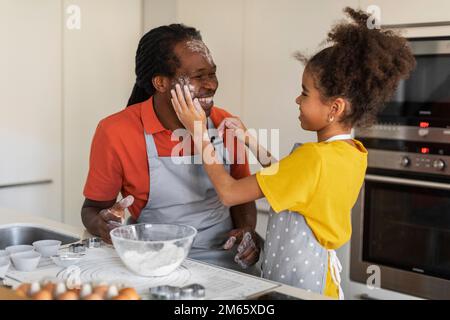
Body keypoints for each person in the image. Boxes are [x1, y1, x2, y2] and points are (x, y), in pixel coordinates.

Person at [169, 8, 416, 298]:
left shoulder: (313, 158)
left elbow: (230, 193)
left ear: (334, 108)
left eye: (305, 92)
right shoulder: (351, 153)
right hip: (322, 282)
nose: (297, 99)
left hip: (300, 289)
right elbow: (293, 183)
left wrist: (198, 131)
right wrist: (250, 141)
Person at [81, 24, 261, 274]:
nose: (211, 85)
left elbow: (244, 194)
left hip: (226, 264)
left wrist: (248, 230)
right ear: (161, 83)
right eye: (199, 76)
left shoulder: (226, 123)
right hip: (154, 264)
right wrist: (104, 225)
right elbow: (92, 208)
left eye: (213, 74)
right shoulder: (116, 131)